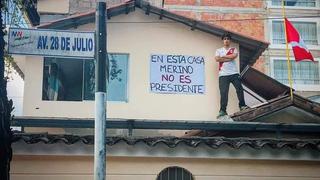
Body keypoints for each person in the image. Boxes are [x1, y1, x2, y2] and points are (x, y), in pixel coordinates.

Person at [215, 32, 248, 118]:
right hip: (223, 75)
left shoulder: (234, 49)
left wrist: (223, 57)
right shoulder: (218, 50)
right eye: (225, 39)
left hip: (234, 73)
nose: (226, 40)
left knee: (239, 89)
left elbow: (234, 56)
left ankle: (242, 106)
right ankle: (222, 110)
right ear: (223, 40)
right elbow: (217, 59)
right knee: (223, 93)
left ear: (230, 41)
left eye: (228, 39)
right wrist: (228, 57)